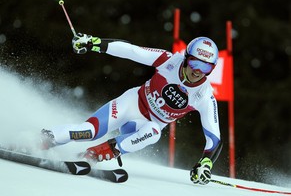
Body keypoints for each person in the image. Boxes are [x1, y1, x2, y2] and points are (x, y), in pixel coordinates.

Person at [41, 33, 223, 185]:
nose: (198, 71)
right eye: (195, 63)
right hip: (131, 104)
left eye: (206, 67)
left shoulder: (205, 96)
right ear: (185, 59)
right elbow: (130, 50)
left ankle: (94, 154)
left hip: (144, 125)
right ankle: (45, 138)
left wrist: (205, 164)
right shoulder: (169, 61)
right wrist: (93, 43)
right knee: (89, 131)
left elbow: (214, 139)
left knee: (154, 132)